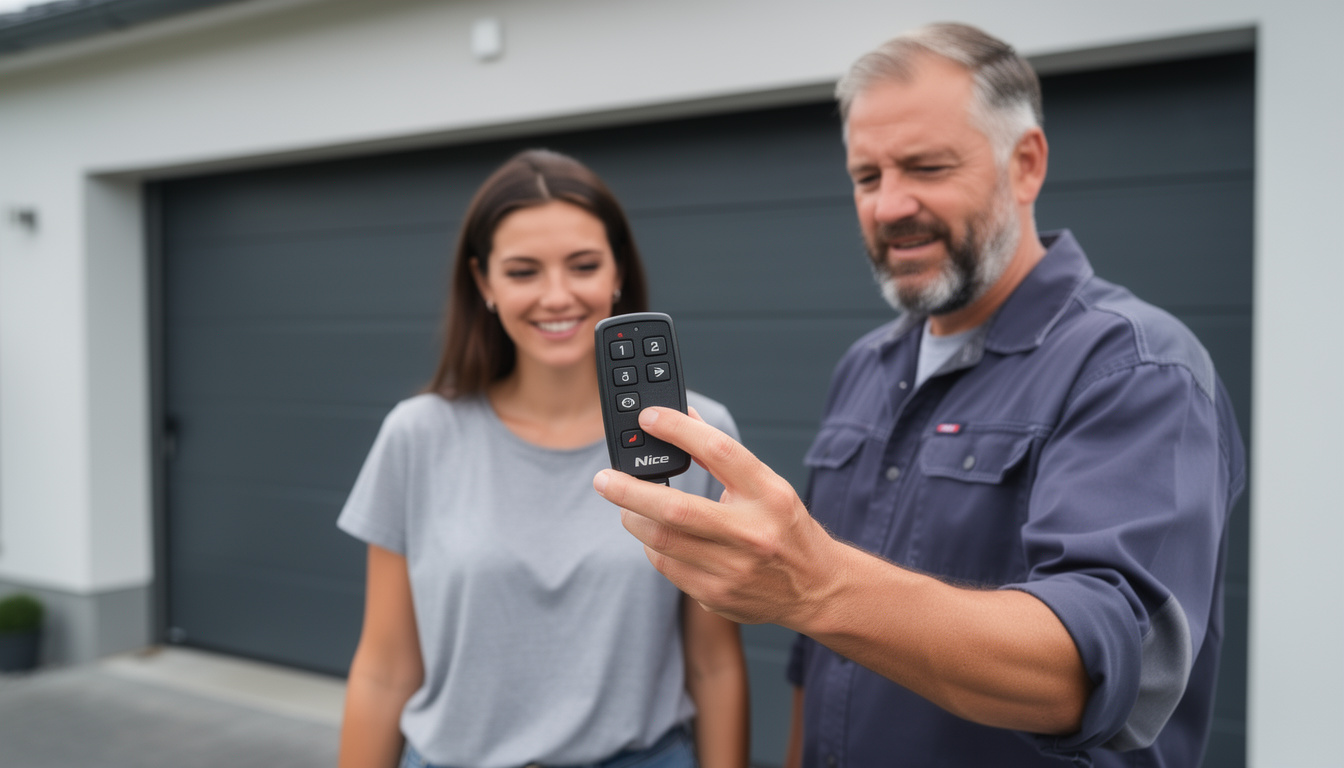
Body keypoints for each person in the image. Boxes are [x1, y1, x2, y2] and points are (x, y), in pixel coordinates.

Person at [594, 23, 1245, 768]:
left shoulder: (1134, 368)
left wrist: (815, 583)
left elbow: (1091, 670)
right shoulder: (866, 366)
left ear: (1025, 164)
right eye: (867, 177)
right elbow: (821, 660)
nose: (889, 205)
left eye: (927, 167)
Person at [338, 149, 749, 768]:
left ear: (617, 272)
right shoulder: (416, 435)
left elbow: (714, 664)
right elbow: (384, 668)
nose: (557, 296)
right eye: (524, 271)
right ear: (484, 284)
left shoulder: (696, 434)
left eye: (583, 265)